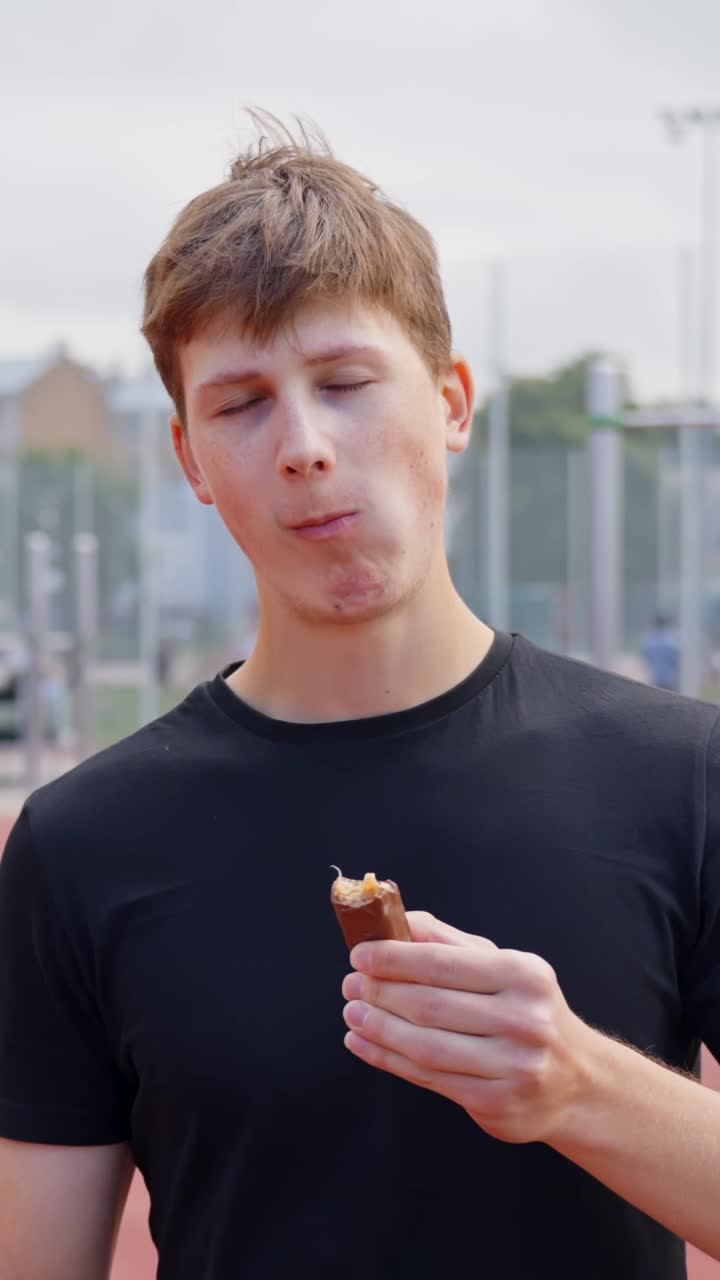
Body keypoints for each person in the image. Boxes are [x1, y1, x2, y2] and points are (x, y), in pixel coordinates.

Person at [1, 116, 720, 1280]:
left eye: (344, 382)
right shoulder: (81, 844)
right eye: (241, 404)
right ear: (189, 459)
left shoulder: (685, 775)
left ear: (453, 401)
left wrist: (578, 1082)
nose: (304, 445)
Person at [641, 612, 680, 692]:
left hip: (655, 679)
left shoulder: (650, 640)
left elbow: (646, 657)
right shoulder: (671, 640)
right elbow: (676, 660)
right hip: (670, 680)